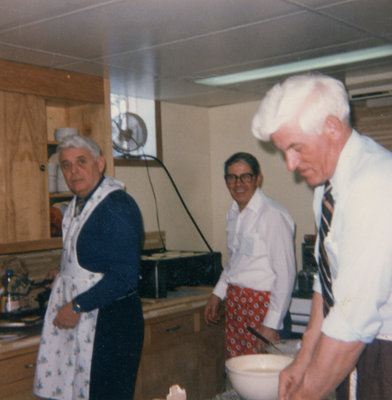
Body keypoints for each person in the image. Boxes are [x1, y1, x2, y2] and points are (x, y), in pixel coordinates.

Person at [252, 73, 392, 400]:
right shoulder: (326, 190)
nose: (290, 164)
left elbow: (354, 316)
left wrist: (305, 394)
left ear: (332, 126)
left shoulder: (375, 183)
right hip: (357, 340)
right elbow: (325, 281)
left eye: (296, 148)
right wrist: (302, 360)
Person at [34, 135, 144, 400]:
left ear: (100, 163)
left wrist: (77, 305)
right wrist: (65, 275)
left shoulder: (116, 206)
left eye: (81, 162)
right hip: (87, 319)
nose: (74, 171)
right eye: (66, 165)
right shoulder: (76, 206)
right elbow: (93, 261)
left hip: (111, 321)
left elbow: (126, 276)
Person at [204, 152, 296, 358]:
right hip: (238, 306)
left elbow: (286, 275)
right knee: (242, 377)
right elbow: (235, 260)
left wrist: (270, 325)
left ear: (257, 179)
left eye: (246, 176)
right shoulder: (233, 212)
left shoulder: (272, 215)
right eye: (232, 177)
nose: (238, 184)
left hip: (264, 309)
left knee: (269, 383)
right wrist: (218, 293)